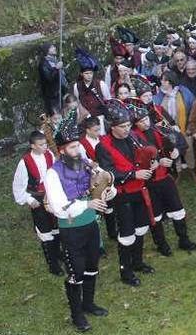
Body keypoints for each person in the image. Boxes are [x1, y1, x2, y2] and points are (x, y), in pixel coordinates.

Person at [44, 117, 116, 332]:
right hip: (71, 229)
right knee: (76, 272)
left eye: (78, 145)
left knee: (92, 266)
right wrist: (87, 205)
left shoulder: (86, 164)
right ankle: (76, 315)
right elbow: (58, 207)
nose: (78, 150)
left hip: (91, 225)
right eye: (73, 147)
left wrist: (109, 191)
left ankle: (88, 303)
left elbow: (103, 183)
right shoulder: (53, 173)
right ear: (63, 150)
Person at [96, 102, 157, 286]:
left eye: (128, 126)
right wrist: (133, 174)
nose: (126, 129)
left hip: (140, 190)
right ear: (112, 127)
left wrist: (152, 162)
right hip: (123, 195)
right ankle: (126, 272)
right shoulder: (103, 146)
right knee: (127, 233)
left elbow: (146, 151)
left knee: (140, 228)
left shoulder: (132, 137)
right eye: (122, 127)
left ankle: (137, 262)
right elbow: (108, 172)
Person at [132, 108, 196, 256]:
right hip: (149, 183)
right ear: (135, 123)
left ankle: (184, 240)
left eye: (146, 119)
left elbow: (174, 141)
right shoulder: (133, 137)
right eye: (141, 121)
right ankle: (161, 244)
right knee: (155, 215)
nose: (145, 123)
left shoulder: (157, 129)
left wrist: (175, 151)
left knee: (177, 209)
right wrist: (157, 161)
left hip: (165, 178)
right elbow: (136, 161)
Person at [12, 130, 63, 276]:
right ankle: (52, 264)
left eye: (45, 144)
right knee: (45, 229)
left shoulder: (49, 155)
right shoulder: (25, 162)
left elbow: (55, 174)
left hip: (51, 195)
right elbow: (18, 185)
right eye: (41, 145)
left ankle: (57, 253)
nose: (44, 147)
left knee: (56, 226)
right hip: (37, 199)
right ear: (33, 146)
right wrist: (29, 199)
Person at [79, 115, 118, 243]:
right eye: (95, 130)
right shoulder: (81, 144)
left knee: (109, 205)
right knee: (96, 208)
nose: (98, 132)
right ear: (88, 130)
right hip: (92, 177)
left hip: (106, 174)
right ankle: (96, 239)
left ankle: (113, 231)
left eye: (98, 129)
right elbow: (83, 161)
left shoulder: (103, 139)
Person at [38, 43, 66, 115]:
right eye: (52, 47)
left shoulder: (55, 60)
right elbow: (49, 78)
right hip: (53, 96)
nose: (54, 48)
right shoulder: (43, 64)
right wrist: (56, 69)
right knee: (56, 115)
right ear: (46, 50)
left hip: (60, 92)